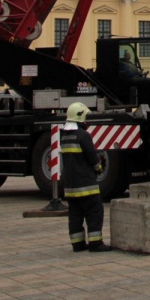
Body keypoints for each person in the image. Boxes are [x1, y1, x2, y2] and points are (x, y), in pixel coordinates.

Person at [60, 102, 113, 253]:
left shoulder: (64, 136)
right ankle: (96, 243)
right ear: (80, 117)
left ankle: (78, 244)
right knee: (94, 212)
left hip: (70, 187)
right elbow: (92, 157)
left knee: (75, 216)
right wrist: (99, 168)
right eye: (85, 117)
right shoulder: (83, 135)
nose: (86, 121)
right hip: (86, 186)